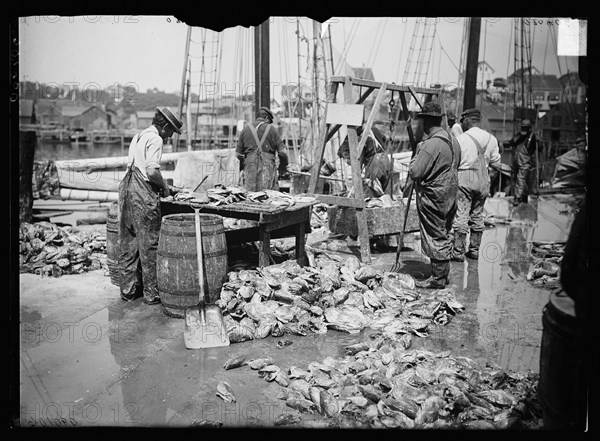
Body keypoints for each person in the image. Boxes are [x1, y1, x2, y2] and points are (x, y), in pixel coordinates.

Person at [119, 106, 183, 304]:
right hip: (141, 194)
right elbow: (152, 171)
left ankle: (128, 292)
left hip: (126, 190)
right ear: (164, 126)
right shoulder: (155, 139)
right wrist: (165, 187)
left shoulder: (138, 136)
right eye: (171, 132)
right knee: (150, 245)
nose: (170, 137)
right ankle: (152, 294)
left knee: (128, 243)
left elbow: (136, 165)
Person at [408, 102, 461, 289]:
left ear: (426, 122)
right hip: (451, 193)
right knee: (444, 232)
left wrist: (417, 152)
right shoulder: (453, 141)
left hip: (434, 196)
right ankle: (443, 274)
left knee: (435, 234)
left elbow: (415, 172)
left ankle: (438, 279)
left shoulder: (431, 144)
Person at [450, 108, 501, 261]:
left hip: (466, 178)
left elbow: (454, 162)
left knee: (462, 215)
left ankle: (458, 252)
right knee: (478, 215)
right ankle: (474, 250)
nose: (461, 124)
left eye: (462, 121)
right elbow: (496, 163)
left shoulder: (461, 139)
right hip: (484, 180)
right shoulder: (491, 138)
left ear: (467, 120)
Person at [236, 106, 290, 191]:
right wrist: (283, 167)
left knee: (250, 196)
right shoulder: (272, 130)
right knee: (269, 196)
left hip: (250, 167)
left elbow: (238, 154)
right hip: (268, 168)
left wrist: (246, 161)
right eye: (269, 121)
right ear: (266, 117)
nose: (269, 124)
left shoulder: (245, 130)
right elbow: (283, 153)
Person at [337, 125, 391, 198]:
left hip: (375, 162)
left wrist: (357, 172)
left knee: (372, 190)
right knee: (385, 192)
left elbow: (359, 159)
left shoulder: (357, 137)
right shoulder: (372, 129)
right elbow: (384, 138)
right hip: (385, 158)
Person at [503, 118, 537, 206]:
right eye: (522, 128)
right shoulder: (520, 136)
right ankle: (523, 197)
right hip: (517, 162)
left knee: (521, 180)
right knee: (517, 180)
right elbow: (512, 142)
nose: (523, 130)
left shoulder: (532, 137)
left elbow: (534, 150)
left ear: (529, 129)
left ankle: (518, 198)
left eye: (525, 128)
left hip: (525, 163)